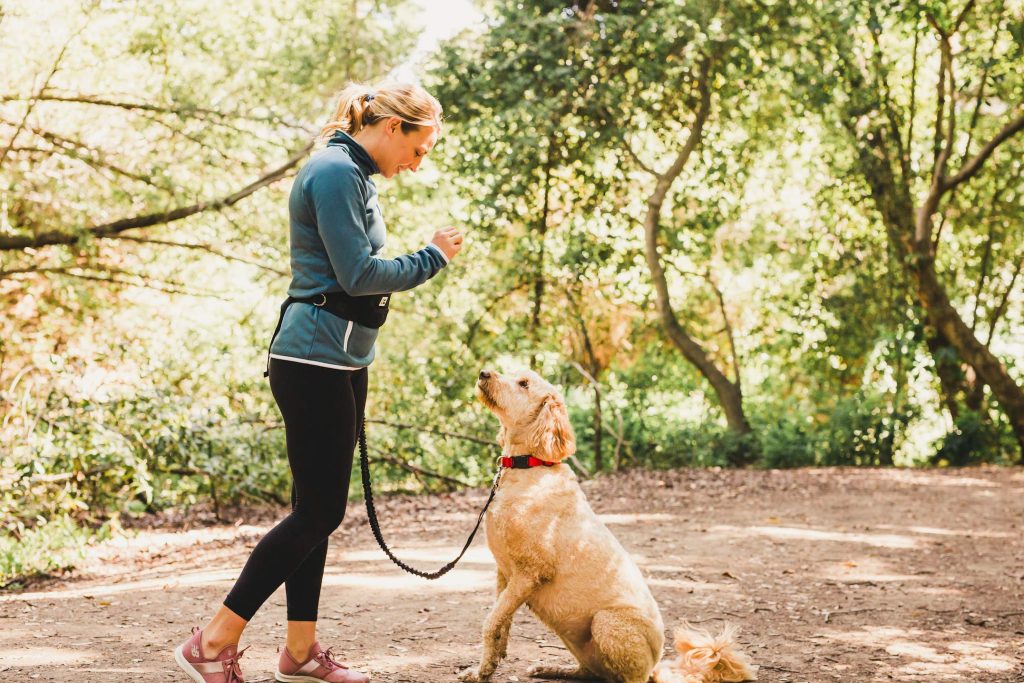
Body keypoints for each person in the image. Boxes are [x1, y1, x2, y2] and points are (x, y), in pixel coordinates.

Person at [173, 82, 463, 683]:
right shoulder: (334, 172)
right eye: (419, 148)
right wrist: (430, 256)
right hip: (312, 362)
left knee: (317, 513)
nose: (418, 162)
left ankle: (300, 653)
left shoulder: (354, 175)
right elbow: (357, 276)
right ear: (391, 129)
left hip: (342, 361)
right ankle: (212, 641)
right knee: (317, 514)